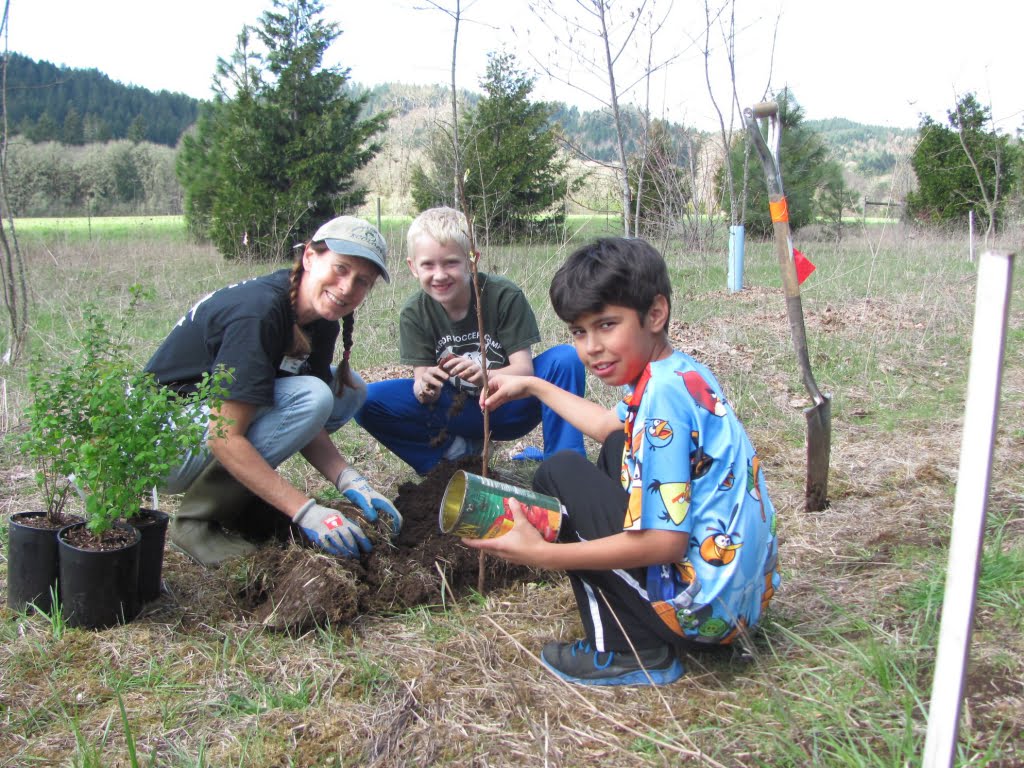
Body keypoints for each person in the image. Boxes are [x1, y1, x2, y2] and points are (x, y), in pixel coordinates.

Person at [466, 237, 780, 686]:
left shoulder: (661, 401)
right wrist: (532, 387)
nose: (591, 347)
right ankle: (640, 632)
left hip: (704, 614)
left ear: (655, 313)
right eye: (579, 331)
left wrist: (546, 555)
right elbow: (607, 427)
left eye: (607, 325)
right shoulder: (678, 374)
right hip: (740, 601)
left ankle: (628, 650)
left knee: (559, 472)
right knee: (617, 444)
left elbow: (664, 546)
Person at [145, 216, 402, 567]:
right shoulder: (260, 314)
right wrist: (306, 511)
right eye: (340, 269)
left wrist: (349, 479)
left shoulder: (320, 316)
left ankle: (240, 500)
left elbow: (306, 421)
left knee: (347, 389)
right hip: (158, 444)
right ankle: (197, 521)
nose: (346, 288)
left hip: (201, 422)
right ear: (310, 257)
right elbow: (224, 437)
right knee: (315, 395)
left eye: (362, 282)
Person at [355, 206, 586, 475]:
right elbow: (422, 383)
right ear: (413, 267)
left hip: (508, 407)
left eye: (451, 262)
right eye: (428, 264)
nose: (439, 274)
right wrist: (426, 388)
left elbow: (524, 371)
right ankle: (449, 463)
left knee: (566, 359)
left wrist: (484, 375)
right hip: (457, 413)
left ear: (472, 260)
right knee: (366, 399)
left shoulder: (503, 296)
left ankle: (566, 464)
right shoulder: (414, 312)